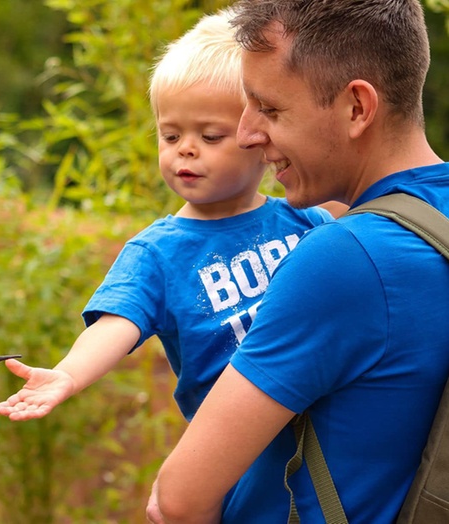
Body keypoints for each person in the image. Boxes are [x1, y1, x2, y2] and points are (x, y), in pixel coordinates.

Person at [147, 0, 449, 522]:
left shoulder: (345, 258)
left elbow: (177, 502)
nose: (246, 133)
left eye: (268, 108)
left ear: (357, 107)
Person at [0, 8, 333, 425]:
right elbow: (116, 324)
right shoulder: (158, 253)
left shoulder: (306, 223)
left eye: (210, 136)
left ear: (258, 136)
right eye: (170, 135)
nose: (185, 149)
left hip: (325, 427)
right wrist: (67, 374)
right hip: (237, 448)